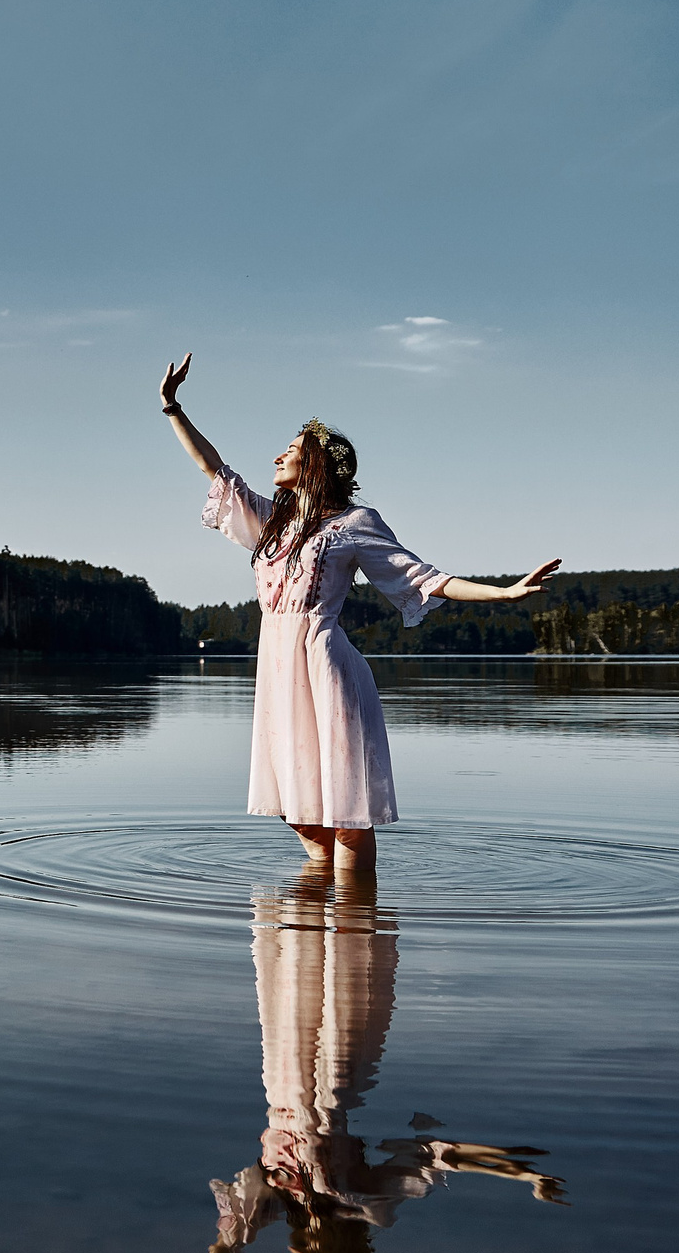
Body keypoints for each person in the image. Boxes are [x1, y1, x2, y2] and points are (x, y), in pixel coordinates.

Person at [158, 352, 560, 873]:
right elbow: (214, 468)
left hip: (325, 668)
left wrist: (503, 594)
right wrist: (172, 407)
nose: (277, 456)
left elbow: (423, 577)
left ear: (316, 465)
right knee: (295, 808)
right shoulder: (271, 521)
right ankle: (319, 907)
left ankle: (354, 920)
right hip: (278, 673)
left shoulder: (354, 523)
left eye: (291, 450)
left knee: (346, 813)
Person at [170, 871, 565, 1253]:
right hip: (335, 1083)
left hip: (282, 1075)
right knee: (342, 976)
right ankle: (347, 880)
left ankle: (319, 874)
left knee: (295, 969)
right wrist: (521, 1173)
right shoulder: (361, 1202)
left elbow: (226, 1249)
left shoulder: (271, 1204)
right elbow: (439, 1159)